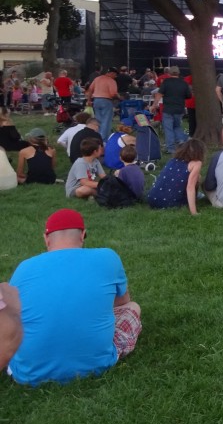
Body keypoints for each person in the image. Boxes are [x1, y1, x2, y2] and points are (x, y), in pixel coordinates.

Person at [7, 209, 142, 386]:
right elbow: (122, 303)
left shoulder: (24, 268)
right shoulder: (108, 257)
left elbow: (13, 317)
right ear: (83, 235)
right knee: (133, 308)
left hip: (26, 373)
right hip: (97, 365)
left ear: (46, 239)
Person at [148, 139, 205, 215]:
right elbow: (190, 187)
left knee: (197, 176)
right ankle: (193, 200)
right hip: (168, 202)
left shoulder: (172, 160)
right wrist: (194, 212)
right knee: (197, 179)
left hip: (152, 198)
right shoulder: (196, 163)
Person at [153, 65, 191, 154]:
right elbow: (189, 95)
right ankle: (181, 140)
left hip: (168, 109)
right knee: (177, 126)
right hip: (179, 108)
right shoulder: (184, 83)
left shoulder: (166, 82)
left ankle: (170, 148)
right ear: (178, 73)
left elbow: (159, 94)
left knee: (168, 128)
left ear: (169, 73)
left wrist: (154, 105)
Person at [85, 67, 119, 139]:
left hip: (96, 101)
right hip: (106, 101)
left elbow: (90, 89)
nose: (115, 77)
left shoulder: (97, 79)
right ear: (112, 73)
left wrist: (88, 100)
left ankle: (97, 136)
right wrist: (119, 97)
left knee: (98, 120)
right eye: (115, 75)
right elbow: (113, 93)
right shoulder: (111, 81)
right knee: (106, 121)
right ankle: (103, 139)